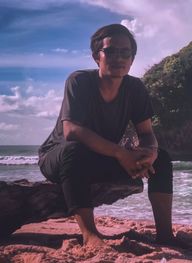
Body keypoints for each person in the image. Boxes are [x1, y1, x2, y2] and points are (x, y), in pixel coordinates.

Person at [38, 24, 177, 247]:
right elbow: (72, 131)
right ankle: (90, 234)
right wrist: (120, 153)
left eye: (125, 52)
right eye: (110, 51)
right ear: (96, 57)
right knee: (75, 151)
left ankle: (165, 235)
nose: (118, 58)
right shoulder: (79, 81)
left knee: (162, 158)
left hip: (102, 156)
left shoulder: (135, 88)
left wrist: (149, 154)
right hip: (59, 157)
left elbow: (147, 133)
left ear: (132, 59)